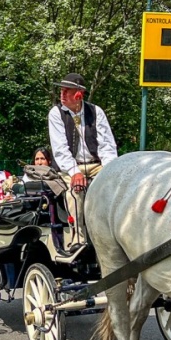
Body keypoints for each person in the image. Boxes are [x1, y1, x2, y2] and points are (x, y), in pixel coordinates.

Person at [47, 73, 119, 250]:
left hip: (96, 164)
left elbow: (107, 146)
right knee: (75, 191)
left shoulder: (96, 112)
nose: (62, 94)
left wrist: (110, 172)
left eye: (66, 91)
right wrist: (75, 172)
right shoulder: (56, 114)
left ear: (79, 94)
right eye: (61, 91)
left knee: (116, 186)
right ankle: (79, 238)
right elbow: (60, 149)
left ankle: (115, 234)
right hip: (69, 167)